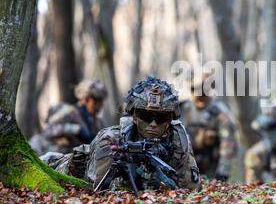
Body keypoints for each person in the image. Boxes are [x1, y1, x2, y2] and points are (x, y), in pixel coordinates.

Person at [43, 76, 201, 192]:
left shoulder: (178, 139)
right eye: (146, 116)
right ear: (135, 117)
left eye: (161, 118)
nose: (153, 124)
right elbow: (97, 191)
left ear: (170, 120)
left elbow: (192, 188)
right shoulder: (112, 139)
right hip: (69, 168)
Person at [180, 76, 238, 181]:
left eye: (203, 91)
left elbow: (228, 142)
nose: (200, 96)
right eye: (195, 91)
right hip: (184, 164)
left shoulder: (219, 111)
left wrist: (223, 172)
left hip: (211, 166)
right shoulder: (183, 109)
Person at [30, 79, 107, 155]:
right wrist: (75, 130)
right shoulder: (69, 112)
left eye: (101, 101)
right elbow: (48, 130)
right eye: (97, 100)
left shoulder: (97, 122)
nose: (100, 105)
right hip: (46, 154)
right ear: (86, 100)